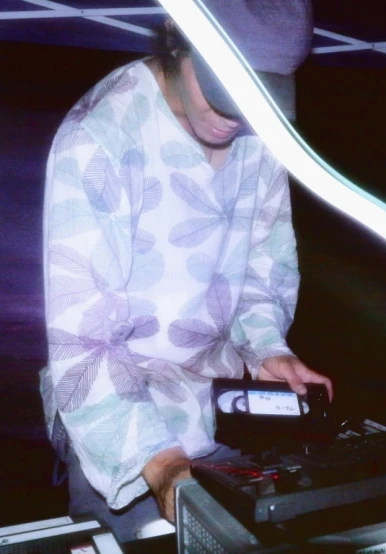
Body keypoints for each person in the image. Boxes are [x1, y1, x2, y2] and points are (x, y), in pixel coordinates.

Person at [39, 0, 332, 542]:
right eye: (223, 88)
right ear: (178, 38)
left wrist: (267, 347)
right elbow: (84, 343)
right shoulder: (99, 138)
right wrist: (162, 463)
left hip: (218, 410)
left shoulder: (258, 131)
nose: (236, 116)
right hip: (119, 421)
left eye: (257, 95)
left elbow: (266, 263)